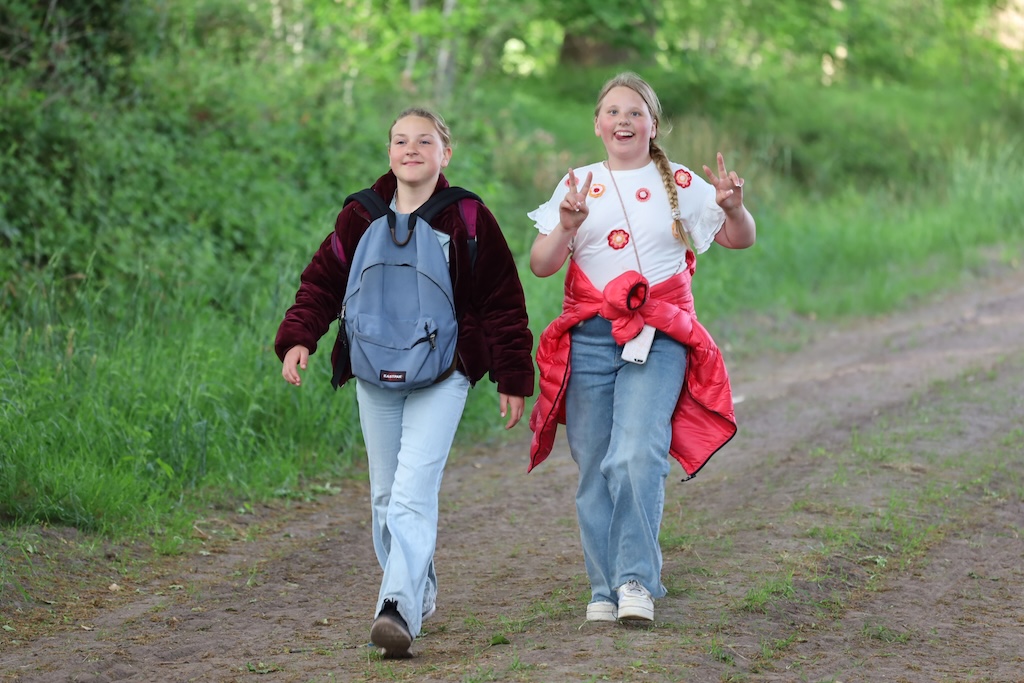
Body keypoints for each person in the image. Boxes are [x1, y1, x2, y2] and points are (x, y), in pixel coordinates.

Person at [275, 107, 535, 658]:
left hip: (445, 373)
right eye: (400, 140)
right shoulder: (359, 215)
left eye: (424, 141)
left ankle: (395, 607)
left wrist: (512, 374)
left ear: (445, 153)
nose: (410, 149)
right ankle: (418, 589)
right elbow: (323, 281)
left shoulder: (467, 218)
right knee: (385, 497)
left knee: (412, 494)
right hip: (374, 370)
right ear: (389, 152)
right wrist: (299, 337)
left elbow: (502, 300)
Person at [526, 72, 756, 624]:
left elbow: (739, 238)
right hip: (591, 337)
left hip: (659, 334)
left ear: (654, 125)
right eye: (612, 111)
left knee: (636, 453)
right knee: (594, 464)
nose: (623, 121)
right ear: (597, 124)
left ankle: (635, 581)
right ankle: (603, 589)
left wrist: (733, 207)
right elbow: (541, 264)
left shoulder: (680, 181)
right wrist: (565, 226)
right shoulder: (578, 184)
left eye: (635, 112)